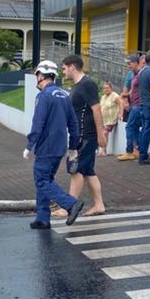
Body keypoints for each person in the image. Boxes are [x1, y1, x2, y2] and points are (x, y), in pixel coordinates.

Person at [24, 60, 84, 230]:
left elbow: (38, 123)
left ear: (41, 75)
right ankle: (43, 218)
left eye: (37, 75)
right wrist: (72, 146)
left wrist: (29, 145)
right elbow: (73, 123)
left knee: (41, 180)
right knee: (47, 179)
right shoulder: (64, 95)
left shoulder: (43, 96)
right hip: (59, 146)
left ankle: (71, 204)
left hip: (46, 146)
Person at [61, 54, 107, 216]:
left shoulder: (87, 84)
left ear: (72, 66)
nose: (63, 72)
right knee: (88, 171)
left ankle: (69, 207)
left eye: (64, 68)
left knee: (75, 169)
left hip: (85, 135)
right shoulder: (77, 86)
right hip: (79, 134)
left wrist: (101, 134)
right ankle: (99, 205)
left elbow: (96, 109)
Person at [117, 51, 145, 161]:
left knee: (129, 127)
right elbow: (131, 90)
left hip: (138, 105)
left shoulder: (141, 74)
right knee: (135, 128)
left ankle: (130, 151)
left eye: (130, 63)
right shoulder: (132, 74)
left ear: (135, 63)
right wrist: (125, 97)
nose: (128, 66)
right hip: (134, 104)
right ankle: (137, 150)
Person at [98, 79, 121, 153]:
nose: (106, 89)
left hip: (111, 120)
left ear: (111, 88)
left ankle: (103, 151)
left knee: (105, 133)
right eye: (104, 88)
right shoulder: (103, 97)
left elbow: (121, 103)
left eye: (107, 88)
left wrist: (120, 113)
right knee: (101, 133)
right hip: (103, 121)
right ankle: (102, 150)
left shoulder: (114, 95)